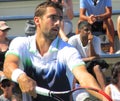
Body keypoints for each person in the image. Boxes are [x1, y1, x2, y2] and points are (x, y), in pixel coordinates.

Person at [3, 1, 103, 101]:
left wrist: (104, 97)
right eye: (53, 18)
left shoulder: (68, 50)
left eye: (60, 18)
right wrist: (21, 77)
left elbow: (83, 76)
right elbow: (8, 66)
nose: (58, 23)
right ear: (37, 20)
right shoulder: (21, 43)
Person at [68, 21, 109, 101]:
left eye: (90, 30)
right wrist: (89, 59)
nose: (89, 32)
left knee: (97, 67)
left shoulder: (95, 39)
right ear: (80, 31)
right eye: (86, 30)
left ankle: (105, 94)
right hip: (78, 65)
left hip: (91, 65)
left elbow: (96, 57)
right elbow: (72, 59)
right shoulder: (73, 40)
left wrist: (90, 43)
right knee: (75, 70)